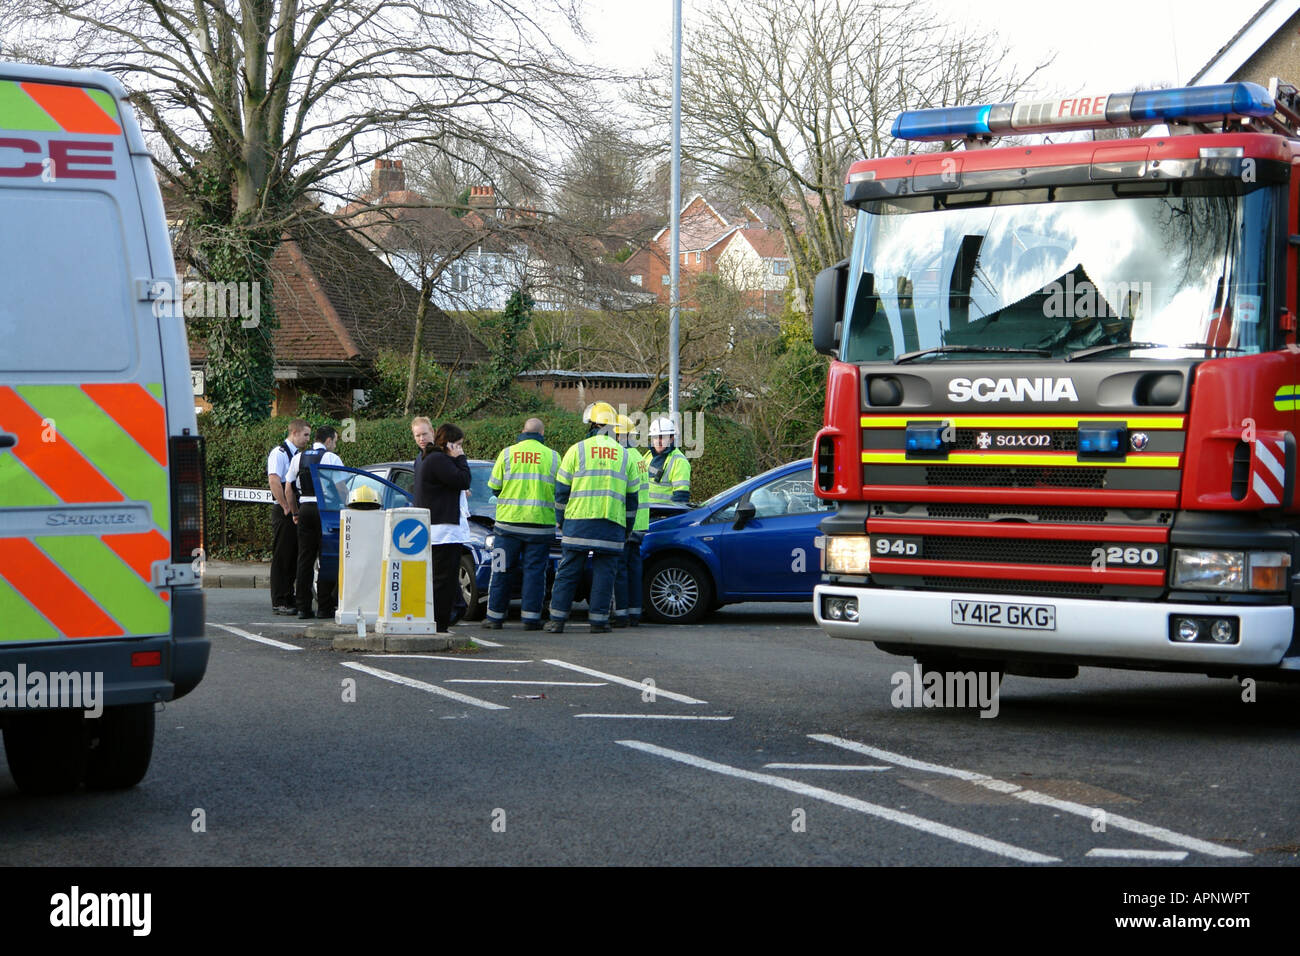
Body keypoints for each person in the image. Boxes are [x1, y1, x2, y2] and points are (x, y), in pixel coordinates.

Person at [546, 402, 638, 634]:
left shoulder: (576, 450)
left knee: (568, 572)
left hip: (578, 524)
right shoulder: (626, 457)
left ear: (593, 425)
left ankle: (557, 620)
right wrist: (626, 529)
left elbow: (561, 491)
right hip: (612, 525)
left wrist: (562, 520)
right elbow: (632, 501)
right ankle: (598, 621)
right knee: (605, 575)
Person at [482, 417, 558, 631]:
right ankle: (531, 619)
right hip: (540, 527)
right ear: (542, 434)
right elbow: (560, 489)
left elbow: (494, 487)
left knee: (500, 569)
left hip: (507, 527)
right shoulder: (553, 456)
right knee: (535, 572)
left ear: (523, 431)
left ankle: (494, 617)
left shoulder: (506, 453)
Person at [415, 422, 471, 634]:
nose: (460, 449)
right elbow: (464, 479)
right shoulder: (438, 459)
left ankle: (438, 621)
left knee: (441, 579)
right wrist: (461, 459)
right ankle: (440, 623)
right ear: (449, 444)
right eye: (458, 445)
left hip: (438, 529)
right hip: (443, 531)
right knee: (443, 581)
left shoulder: (429, 458)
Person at [285, 425, 343, 620]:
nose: (335, 445)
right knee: (326, 558)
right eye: (335, 441)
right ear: (328, 441)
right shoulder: (331, 458)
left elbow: (288, 489)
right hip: (325, 511)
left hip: (305, 510)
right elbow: (341, 488)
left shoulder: (298, 458)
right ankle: (325, 607)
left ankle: (303, 607)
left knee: (305, 559)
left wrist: (294, 512)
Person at [267, 419, 310, 615]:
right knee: (282, 556)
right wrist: (285, 506)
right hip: (283, 510)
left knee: (293, 555)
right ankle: (279, 600)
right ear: (294, 433)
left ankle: (288, 594)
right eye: (305, 435)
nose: (307, 439)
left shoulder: (297, 455)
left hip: (293, 509)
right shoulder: (280, 453)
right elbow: (274, 480)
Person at [611, 414, 648, 628]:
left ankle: (622, 614)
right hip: (640, 523)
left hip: (627, 523)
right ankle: (635, 612)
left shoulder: (624, 458)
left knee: (620, 570)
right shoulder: (639, 457)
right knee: (634, 569)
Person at [646, 415, 691, 508]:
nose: (658, 441)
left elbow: (681, 497)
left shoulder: (679, 461)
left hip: (664, 517)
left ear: (671, 438)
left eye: (662, 437)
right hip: (645, 513)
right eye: (655, 437)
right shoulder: (648, 455)